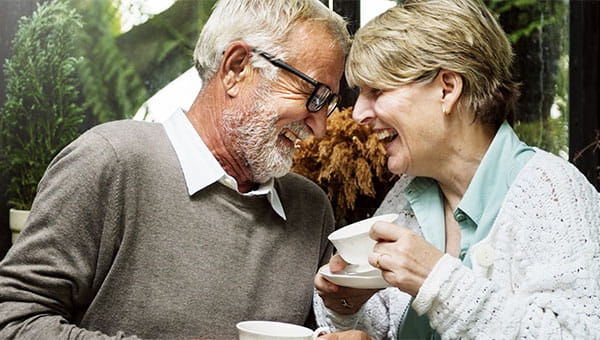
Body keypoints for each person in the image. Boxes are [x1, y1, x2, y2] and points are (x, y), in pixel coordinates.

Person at [0, 0, 351, 339]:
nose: (319, 128)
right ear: (237, 68)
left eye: (329, 103)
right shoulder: (110, 162)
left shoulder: (311, 209)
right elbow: (12, 319)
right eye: (312, 93)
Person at [314, 0, 600, 339]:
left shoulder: (552, 190)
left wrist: (437, 280)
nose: (359, 112)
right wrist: (346, 307)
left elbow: (576, 333)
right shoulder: (407, 195)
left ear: (447, 89)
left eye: (376, 91)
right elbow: (388, 327)